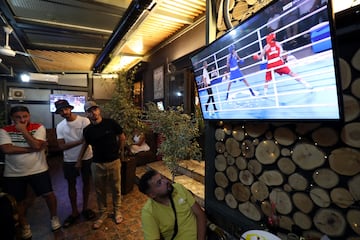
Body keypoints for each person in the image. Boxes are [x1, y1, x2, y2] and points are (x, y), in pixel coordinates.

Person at [0, 106, 61, 239]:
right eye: (18, 117)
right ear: (12, 118)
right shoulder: (4, 130)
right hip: (13, 173)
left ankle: (54, 217)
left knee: (49, 195)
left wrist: (24, 132)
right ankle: (24, 225)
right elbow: (7, 149)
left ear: (29, 116)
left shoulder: (38, 127)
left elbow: (37, 146)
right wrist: (32, 149)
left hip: (38, 169)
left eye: (25, 116)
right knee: (18, 201)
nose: (22, 120)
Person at [79, 101, 126, 229]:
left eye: (95, 109)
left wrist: (121, 152)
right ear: (87, 114)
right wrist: (79, 160)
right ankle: (103, 213)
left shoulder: (110, 123)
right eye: (90, 111)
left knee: (116, 188)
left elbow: (122, 137)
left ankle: (117, 211)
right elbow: (85, 144)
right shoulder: (87, 130)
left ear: (99, 110)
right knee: (100, 191)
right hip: (97, 164)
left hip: (114, 161)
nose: (93, 112)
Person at [54, 99, 95, 228]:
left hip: (86, 157)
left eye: (66, 109)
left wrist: (79, 157)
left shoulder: (84, 121)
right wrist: (79, 141)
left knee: (86, 182)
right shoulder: (60, 126)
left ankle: (85, 208)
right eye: (61, 111)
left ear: (70, 108)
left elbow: (87, 141)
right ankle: (74, 212)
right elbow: (61, 146)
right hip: (69, 160)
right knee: (71, 185)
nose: (64, 112)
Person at [138, 169, 207, 240]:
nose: (166, 181)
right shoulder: (149, 212)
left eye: (162, 177)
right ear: (152, 194)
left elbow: (200, 214)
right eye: (159, 183)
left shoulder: (179, 188)